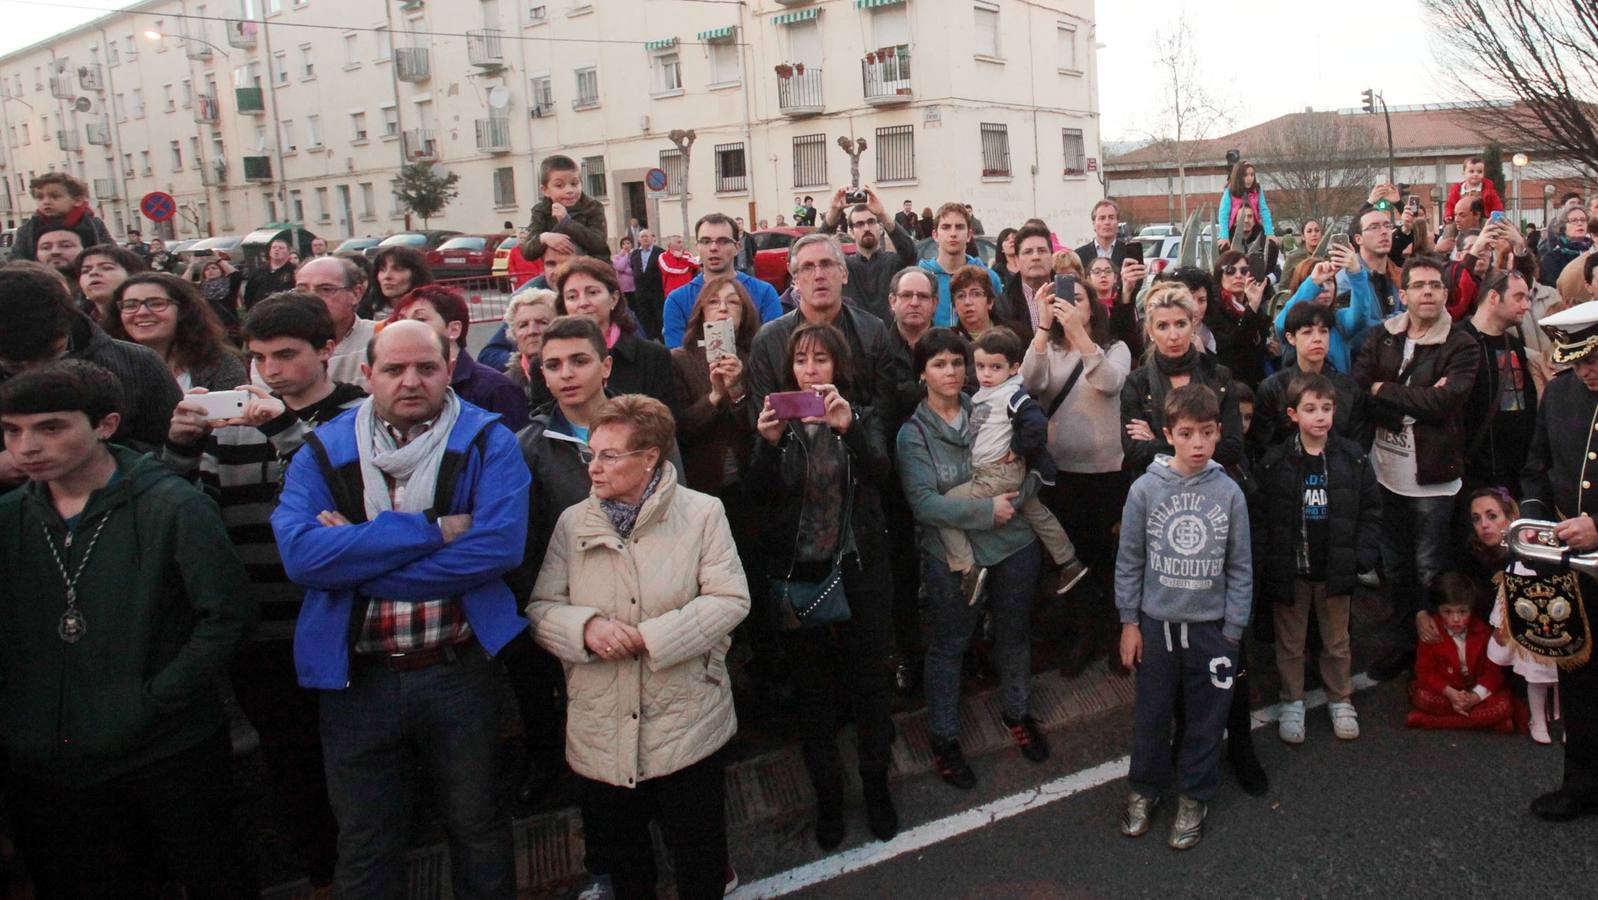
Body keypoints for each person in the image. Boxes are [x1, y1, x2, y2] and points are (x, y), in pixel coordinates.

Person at [271, 320, 529, 899]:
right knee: (366, 839)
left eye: (426, 368)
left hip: (458, 671)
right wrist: (433, 532)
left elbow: (497, 549)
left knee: (478, 826)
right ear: (366, 376)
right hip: (358, 681)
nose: (410, 381)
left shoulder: (490, 440)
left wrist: (359, 558)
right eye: (393, 369)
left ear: (449, 369)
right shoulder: (324, 448)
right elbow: (304, 558)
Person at [0, 359, 257, 898]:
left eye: (50, 427)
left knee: (212, 874)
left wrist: (154, 700)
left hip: (165, 750)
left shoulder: (172, 506)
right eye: (11, 430)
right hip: (47, 762)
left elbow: (225, 616)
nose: (27, 446)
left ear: (105, 425)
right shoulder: (11, 518)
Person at [164, 292, 365, 889]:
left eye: (285, 355)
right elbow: (187, 514)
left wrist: (279, 426)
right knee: (290, 765)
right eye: (258, 358)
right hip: (262, 632)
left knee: (355, 766)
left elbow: (348, 492)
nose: (270, 371)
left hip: (334, 622)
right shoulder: (228, 431)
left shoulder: (357, 413)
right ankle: (323, 877)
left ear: (328, 351)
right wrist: (179, 445)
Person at [529, 395, 749, 900]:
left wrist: (650, 639)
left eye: (609, 456)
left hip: (686, 720)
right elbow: (542, 608)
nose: (594, 467)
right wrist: (583, 629)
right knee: (628, 868)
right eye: (592, 454)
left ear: (650, 457)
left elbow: (730, 598)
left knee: (699, 860)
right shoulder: (572, 523)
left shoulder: (702, 514)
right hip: (602, 727)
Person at [751, 322, 898, 847]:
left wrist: (848, 429)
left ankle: (877, 788)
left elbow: (883, 474)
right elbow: (760, 499)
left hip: (859, 570)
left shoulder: (861, 413)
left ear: (839, 367)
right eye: (801, 361)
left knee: (869, 685)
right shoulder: (778, 423)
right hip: (800, 576)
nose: (810, 371)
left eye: (821, 361)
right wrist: (767, 447)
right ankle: (828, 800)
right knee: (813, 695)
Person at [1115, 383, 1251, 850]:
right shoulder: (1145, 489)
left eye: (1207, 433)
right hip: (1156, 626)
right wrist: (1129, 622)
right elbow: (1130, 560)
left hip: (1212, 631)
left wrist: (1233, 631)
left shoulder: (1229, 493)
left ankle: (1194, 794)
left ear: (1218, 434)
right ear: (1168, 434)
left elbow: (1240, 565)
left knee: (1206, 719)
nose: (1198, 444)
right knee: (1151, 715)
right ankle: (1145, 788)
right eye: (1187, 433)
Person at [1356, 255, 1482, 682]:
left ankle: (1439, 655)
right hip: (1385, 474)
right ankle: (1403, 644)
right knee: (1395, 568)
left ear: (1445, 295)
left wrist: (1385, 389)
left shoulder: (1462, 344)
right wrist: (1413, 401)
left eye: (1435, 285)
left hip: (1434, 481)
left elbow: (1447, 402)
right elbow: (1360, 388)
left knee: (1430, 569)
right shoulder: (1382, 337)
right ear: (1403, 293)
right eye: (1419, 285)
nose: (1428, 291)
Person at [1252, 372, 1381, 745]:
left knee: (1336, 641)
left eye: (1326, 408)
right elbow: (1262, 519)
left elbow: (1370, 510)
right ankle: (1291, 699)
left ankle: (1340, 698)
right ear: (1292, 414)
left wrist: (1361, 556)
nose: (1320, 416)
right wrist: (1267, 563)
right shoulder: (1275, 462)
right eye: (1310, 409)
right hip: (1291, 571)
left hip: (1335, 571)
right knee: (1290, 643)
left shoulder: (1352, 458)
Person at [1023, 269, 1134, 675]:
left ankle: (1114, 635)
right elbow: (1027, 382)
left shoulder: (1114, 347)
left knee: (1106, 558)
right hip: (1061, 473)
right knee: (1071, 561)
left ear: (1095, 309)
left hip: (1107, 472)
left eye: (1080, 301)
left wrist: (1080, 336)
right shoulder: (1048, 349)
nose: (1071, 306)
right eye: (1064, 301)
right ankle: (1083, 634)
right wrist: (1043, 326)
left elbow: (1108, 381)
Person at [1518, 299, 1598, 819]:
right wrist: (1534, 525)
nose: (1587, 372)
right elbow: (1536, 467)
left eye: (1594, 360)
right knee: (1581, 678)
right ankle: (1583, 785)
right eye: (1579, 361)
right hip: (1573, 564)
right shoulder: (1562, 394)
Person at [940, 326, 1085, 597]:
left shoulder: (1013, 394)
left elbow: (1037, 424)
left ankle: (967, 569)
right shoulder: (984, 393)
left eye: (995, 367)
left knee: (945, 507)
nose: (986, 374)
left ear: (1014, 368)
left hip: (996, 474)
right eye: (981, 366)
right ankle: (1069, 561)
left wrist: (1017, 448)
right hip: (999, 472)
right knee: (1037, 513)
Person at [0, 262, 182, 460]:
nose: (34, 373)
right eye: (15, 367)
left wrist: (94, 456)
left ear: (67, 323)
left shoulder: (138, 363)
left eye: (51, 358)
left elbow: (171, 451)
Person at [747, 234, 904, 430]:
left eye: (827, 264)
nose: (818, 275)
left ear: (844, 274)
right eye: (807, 267)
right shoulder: (768, 339)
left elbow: (885, 413)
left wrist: (849, 420)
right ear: (794, 280)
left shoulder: (873, 331)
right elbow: (761, 419)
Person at [1121, 283, 1247, 476]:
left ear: (1193, 324)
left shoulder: (1218, 376)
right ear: (1151, 332)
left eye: (1180, 324)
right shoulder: (1137, 382)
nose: (1174, 336)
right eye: (1163, 326)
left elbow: (1232, 448)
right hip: (1156, 490)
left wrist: (1156, 443)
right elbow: (1135, 452)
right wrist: (1205, 443)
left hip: (1211, 487)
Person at [1471, 489, 1557, 744]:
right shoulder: (1488, 560)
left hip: (1549, 622)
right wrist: (1500, 624)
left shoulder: (1528, 554)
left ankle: (1561, 720)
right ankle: (1537, 718)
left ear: (1512, 518)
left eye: (1492, 516)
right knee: (1536, 673)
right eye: (1476, 519)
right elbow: (1505, 596)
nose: (1484, 525)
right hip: (1524, 629)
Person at [387, 284, 531, 431]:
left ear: (454, 329)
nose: (408, 327)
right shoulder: (395, 384)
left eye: (420, 319)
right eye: (402, 320)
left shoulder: (497, 389)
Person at [552, 257, 679, 418]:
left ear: (613, 298)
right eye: (572, 296)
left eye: (592, 292)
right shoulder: (548, 363)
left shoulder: (652, 357)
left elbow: (668, 425)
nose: (582, 303)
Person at [671, 275, 758, 496]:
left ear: (744, 312)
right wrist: (715, 396)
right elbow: (679, 429)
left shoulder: (755, 358)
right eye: (713, 302)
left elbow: (759, 427)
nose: (722, 308)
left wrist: (737, 390)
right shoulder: (679, 359)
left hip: (750, 480)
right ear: (701, 312)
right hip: (700, 482)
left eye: (732, 302)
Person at [1253, 302, 1366, 456]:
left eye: (1323, 331)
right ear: (1291, 338)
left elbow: (1358, 446)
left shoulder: (1349, 388)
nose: (1317, 339)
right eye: (1307, 332)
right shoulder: (1273, 388)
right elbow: (1265, 447)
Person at [1461, 269, 1537, 496]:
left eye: (1528, 298)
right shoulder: (1458, 342)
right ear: (1494, 297)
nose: (1526, 306)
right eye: (1519, 297)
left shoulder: (1513, 346)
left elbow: (1527, 405)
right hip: (1470, 474)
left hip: (1512, 474)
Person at [1405, 573, 1514, 732]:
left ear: (1471, 610)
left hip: (1474, 692)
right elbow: (1425, 671)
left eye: (1462, 612)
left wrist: (1474, 698)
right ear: (1438, 610)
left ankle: (1431, 721)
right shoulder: (1432, 630)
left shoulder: (1483, 632)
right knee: (1423, 697)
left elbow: (1493, 673)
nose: (1456, 619)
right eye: (1447, 612)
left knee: (1504, 704)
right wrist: (1450, 693)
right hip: (1446, 692)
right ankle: (1488, 723)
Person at [104, 272, 246, 391]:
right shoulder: (104, 367)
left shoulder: (220, 363)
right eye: (130, 305)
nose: (142, 312)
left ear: (183, 310)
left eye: (157, 303)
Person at [662, 215, 782, 348]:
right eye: (706, 241)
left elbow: (774, 349)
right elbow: (677, 357)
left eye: (723, 241)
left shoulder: (764, 293)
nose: (713, 247)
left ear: (737, 247)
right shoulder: (677, 300)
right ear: (697, 247)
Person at [1274, 240, 1382, 374]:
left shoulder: (1339, 320)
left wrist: (1356, 273)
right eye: (1320, 283)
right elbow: (1283, 323)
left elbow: (1360, 316)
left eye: (1329, 281)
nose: (1324, 289)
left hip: (1337, 391)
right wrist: (1313, 282)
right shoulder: (1289, 321)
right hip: (1298, 391)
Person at [822, 187, 918, 324]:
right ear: (851, 232)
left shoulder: (893, 262)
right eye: (859, 224)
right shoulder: (843, 266)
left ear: (880, 227)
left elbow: (910, 252)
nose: (866, 228)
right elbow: (817, 248)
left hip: (889, 339)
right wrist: (834, 211)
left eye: (871, 222)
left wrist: (883, 214)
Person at [294, 255, 376, 388]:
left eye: (326, 289)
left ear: (356, 294)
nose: (311, 298)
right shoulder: (274, 347)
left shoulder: (380, 337)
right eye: (302, 290)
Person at [919, 203, 1003, 329]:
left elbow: (1000, 324)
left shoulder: (989, 277)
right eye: (946, 227)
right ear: (935, 235)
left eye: (959, 227)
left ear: (969, 235)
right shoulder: (920, 278)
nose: (953, 233)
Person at [521, 153, 610, 263]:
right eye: (559, 185)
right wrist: (544, 238)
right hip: (557, 270)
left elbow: (599, 244)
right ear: (545, 190)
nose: (569, 190)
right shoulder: (541, 210)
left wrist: (566, 222)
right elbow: (527, 252)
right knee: (533, 282)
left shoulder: (592, 206)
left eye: (574, 183)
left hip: (590, 270)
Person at [10, 172, 114, 262]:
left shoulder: (93, 225)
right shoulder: (29, 228)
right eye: (40, 197)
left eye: (55, 196)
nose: (46, 202)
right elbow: (16, 261)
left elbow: (112, 254)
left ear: (77, 200)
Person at [1206, 249, 1272, 385]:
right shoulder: (1213, 308)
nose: (1238, 276)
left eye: (1244, 271)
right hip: (1230, 383)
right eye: (1230, 270)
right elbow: (1237, 346)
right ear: (1220, 275)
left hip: (1254, 380)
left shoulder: (1253, 304)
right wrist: (1252, 307)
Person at [503, 288, 557, 408]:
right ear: (514, 334)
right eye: (523, 325)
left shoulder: (578, 376)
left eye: (542, 322)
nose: (532, 331)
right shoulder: (504, 387)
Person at [75, 242, 148, 320]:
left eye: (106, 268)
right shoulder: (77, 324)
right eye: (85, 271)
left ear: (133, 275)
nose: (92, 273)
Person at [362, 244, 434, 320]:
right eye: (382, 270)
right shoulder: (365, 311)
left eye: (398, 269)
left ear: (415, 274)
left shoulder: (431, 311)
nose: (387, 276)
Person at [1217, 160, 1274, 246]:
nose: (1249, 178)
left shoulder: (1257, 190)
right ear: (1238, 176)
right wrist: (1224, 236)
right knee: (1225, 247)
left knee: (1270, 245)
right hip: (1234, 228)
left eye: (1252, 175)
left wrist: (1269, 233)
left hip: (1253, 227)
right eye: (1245, 175)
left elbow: (1264, 211)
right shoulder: (1230, 191)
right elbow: (1223, 214)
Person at [190, 256, 244, 339]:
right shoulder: (199, 287)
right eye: (207, 269)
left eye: (214, 268)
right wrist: (191, 266)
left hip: (229, 328)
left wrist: (218, 260)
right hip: (209, 329)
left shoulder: (229, 284)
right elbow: (180, 284)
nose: (210, 271)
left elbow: (236, 274)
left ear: (222, 271)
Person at [1540, 205, 1593, 288]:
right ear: (1563, 227)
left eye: (1583, 220)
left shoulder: (1594, 251)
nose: (1580, 223)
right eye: (1574, 220)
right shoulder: (1552, 258)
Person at [1444, 156, 1506, 223]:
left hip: (1481, 218)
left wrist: (1498, 217)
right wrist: (1448, 215)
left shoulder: (1488, 189)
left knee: (1489, 226)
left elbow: (1496, 205)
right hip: (1462, 219)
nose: (1475, 174)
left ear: (1483, 173)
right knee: (1450, 228)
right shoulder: (1457, 190)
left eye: (1479, 172)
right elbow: (1450, 205)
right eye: (1471, 171)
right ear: (1464, 173)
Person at [629, 229, 665, 340]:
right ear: (639, 239)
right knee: (644, 317)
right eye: (642, 237)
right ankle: (648, 339)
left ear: (652, 238)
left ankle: (662, 339)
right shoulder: (635, 254)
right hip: (641, 292)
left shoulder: (660, 252)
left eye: (647, 236)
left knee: (659, 316)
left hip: (656, 291)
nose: (645, 239)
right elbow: (633, 267)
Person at [244, 238, 298, 310]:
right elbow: (249, 294)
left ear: (288, 253)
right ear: (269, 252)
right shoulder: (259, 272)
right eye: (274, 247)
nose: (277, 249)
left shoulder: (294, 271)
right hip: (260, 313)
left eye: (281, 248)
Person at [1075, 199, 1129, 267]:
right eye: (1102, 218)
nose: (1107, 222)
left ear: (1118, 222)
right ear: (1094, 224)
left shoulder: (1129, 253)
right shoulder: (1079, 255)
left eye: (1111, 218)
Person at [612, 235, 636, 307]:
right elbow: (620, 267)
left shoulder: (635, 255)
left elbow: (634, 270)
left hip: (634, 287)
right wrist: (625, 255)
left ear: (632, 245)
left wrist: (625, 270)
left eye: (628, 243)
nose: (626, 245)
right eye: (623, 243)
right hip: (623, 288)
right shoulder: (617, 257)